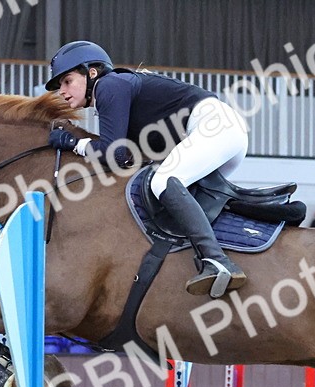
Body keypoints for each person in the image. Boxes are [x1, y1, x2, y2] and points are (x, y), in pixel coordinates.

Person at [45, 40, 248, 297]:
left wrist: (75, 143)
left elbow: (114, 154)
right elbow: (127, 157)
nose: (61, 91)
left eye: (67, 81)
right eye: (59, 86)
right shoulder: (116, 92)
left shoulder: (109, 86)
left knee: (162, 182)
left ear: (92, 72)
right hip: (219, 132)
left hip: (214, 126)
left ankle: (218, 261)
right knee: (165, 196)